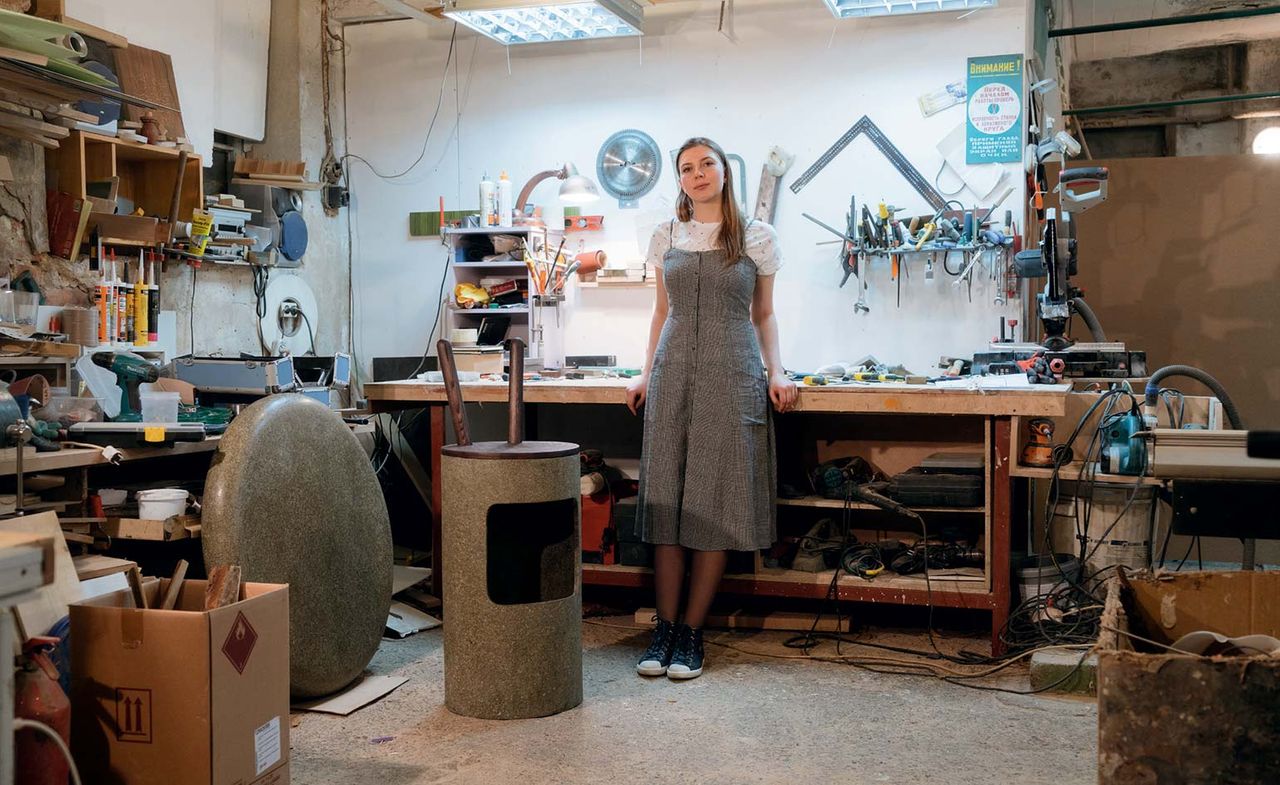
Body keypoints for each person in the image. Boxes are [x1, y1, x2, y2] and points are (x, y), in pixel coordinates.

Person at [625, 136, 797, 680]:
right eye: (686, 168)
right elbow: (660, 312)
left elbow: (764, 314)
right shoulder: (666, 235)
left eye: (707, 165)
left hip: (733, 367)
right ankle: (664, 629)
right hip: (674, 367)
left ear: (725, 172)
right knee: (669, 502)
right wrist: (646, 371)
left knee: (715, 498)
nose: (697, 174)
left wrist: (778, 371)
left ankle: (693, 633)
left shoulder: (757, 237)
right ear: (679, 180)